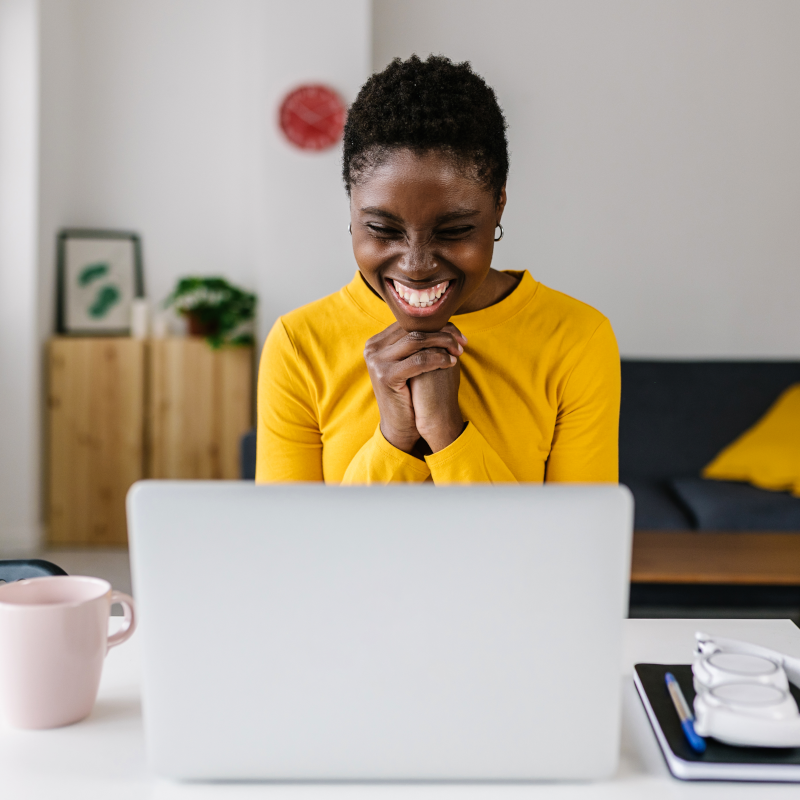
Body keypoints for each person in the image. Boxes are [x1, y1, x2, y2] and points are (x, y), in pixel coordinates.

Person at [256, 55, 620, 484]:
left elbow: (571, 545)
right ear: (352, 208)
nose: (416, 265)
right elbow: (295, 545)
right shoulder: (300, 346)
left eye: (454, 230)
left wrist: (447, 432)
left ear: (498, 204)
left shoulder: (577, 340)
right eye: (382, 229)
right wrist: (396, 436)